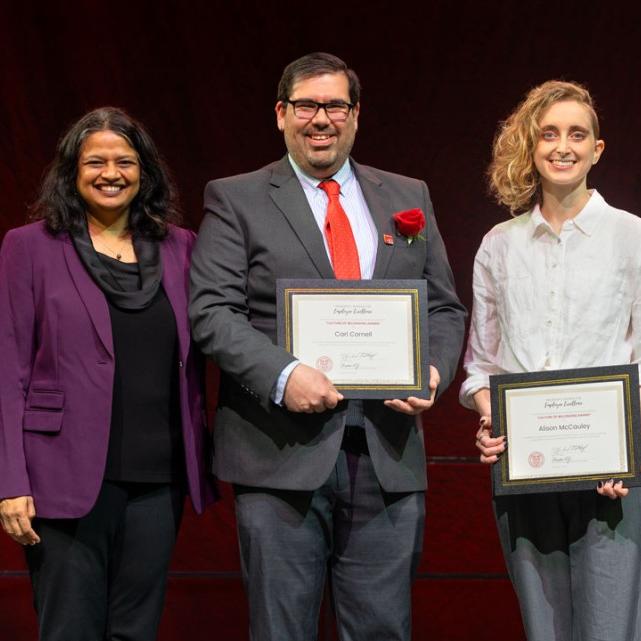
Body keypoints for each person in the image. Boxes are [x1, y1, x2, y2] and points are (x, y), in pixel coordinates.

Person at [189, 52, 466, 641]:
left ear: (355, 115)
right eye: (307, 105)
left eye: (335, 105)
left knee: (383, 630)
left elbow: (443, 305)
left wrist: (433, 370)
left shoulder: (407, 194)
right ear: (281, 114)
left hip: (386, 452)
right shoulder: (236, 198)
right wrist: (286, 375)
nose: (322, 119)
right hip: (278, 453)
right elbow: (212, 312)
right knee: (282, 630)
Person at [0, 107, 215, 641]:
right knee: (70, 629)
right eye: (95, 161)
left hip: (159, 478)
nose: (110, 172)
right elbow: (9, 368)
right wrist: (10, 482)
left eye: (125, 160)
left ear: (145, 171)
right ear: (72, 172)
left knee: (136, 631)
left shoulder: (181, 246)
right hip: (61, 475)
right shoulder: (28, 247)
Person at [460, 80, 641, 641]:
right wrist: (491, 416)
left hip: (613, 474)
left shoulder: (632, 238)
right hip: (526, 468)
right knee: (546, 633)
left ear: (597, 149)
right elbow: (481, 364)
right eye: (549, 134)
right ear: (531, 147)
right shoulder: (498, 245)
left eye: (577, 134)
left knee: (611, 631)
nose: (563, 146)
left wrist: (627, 446)